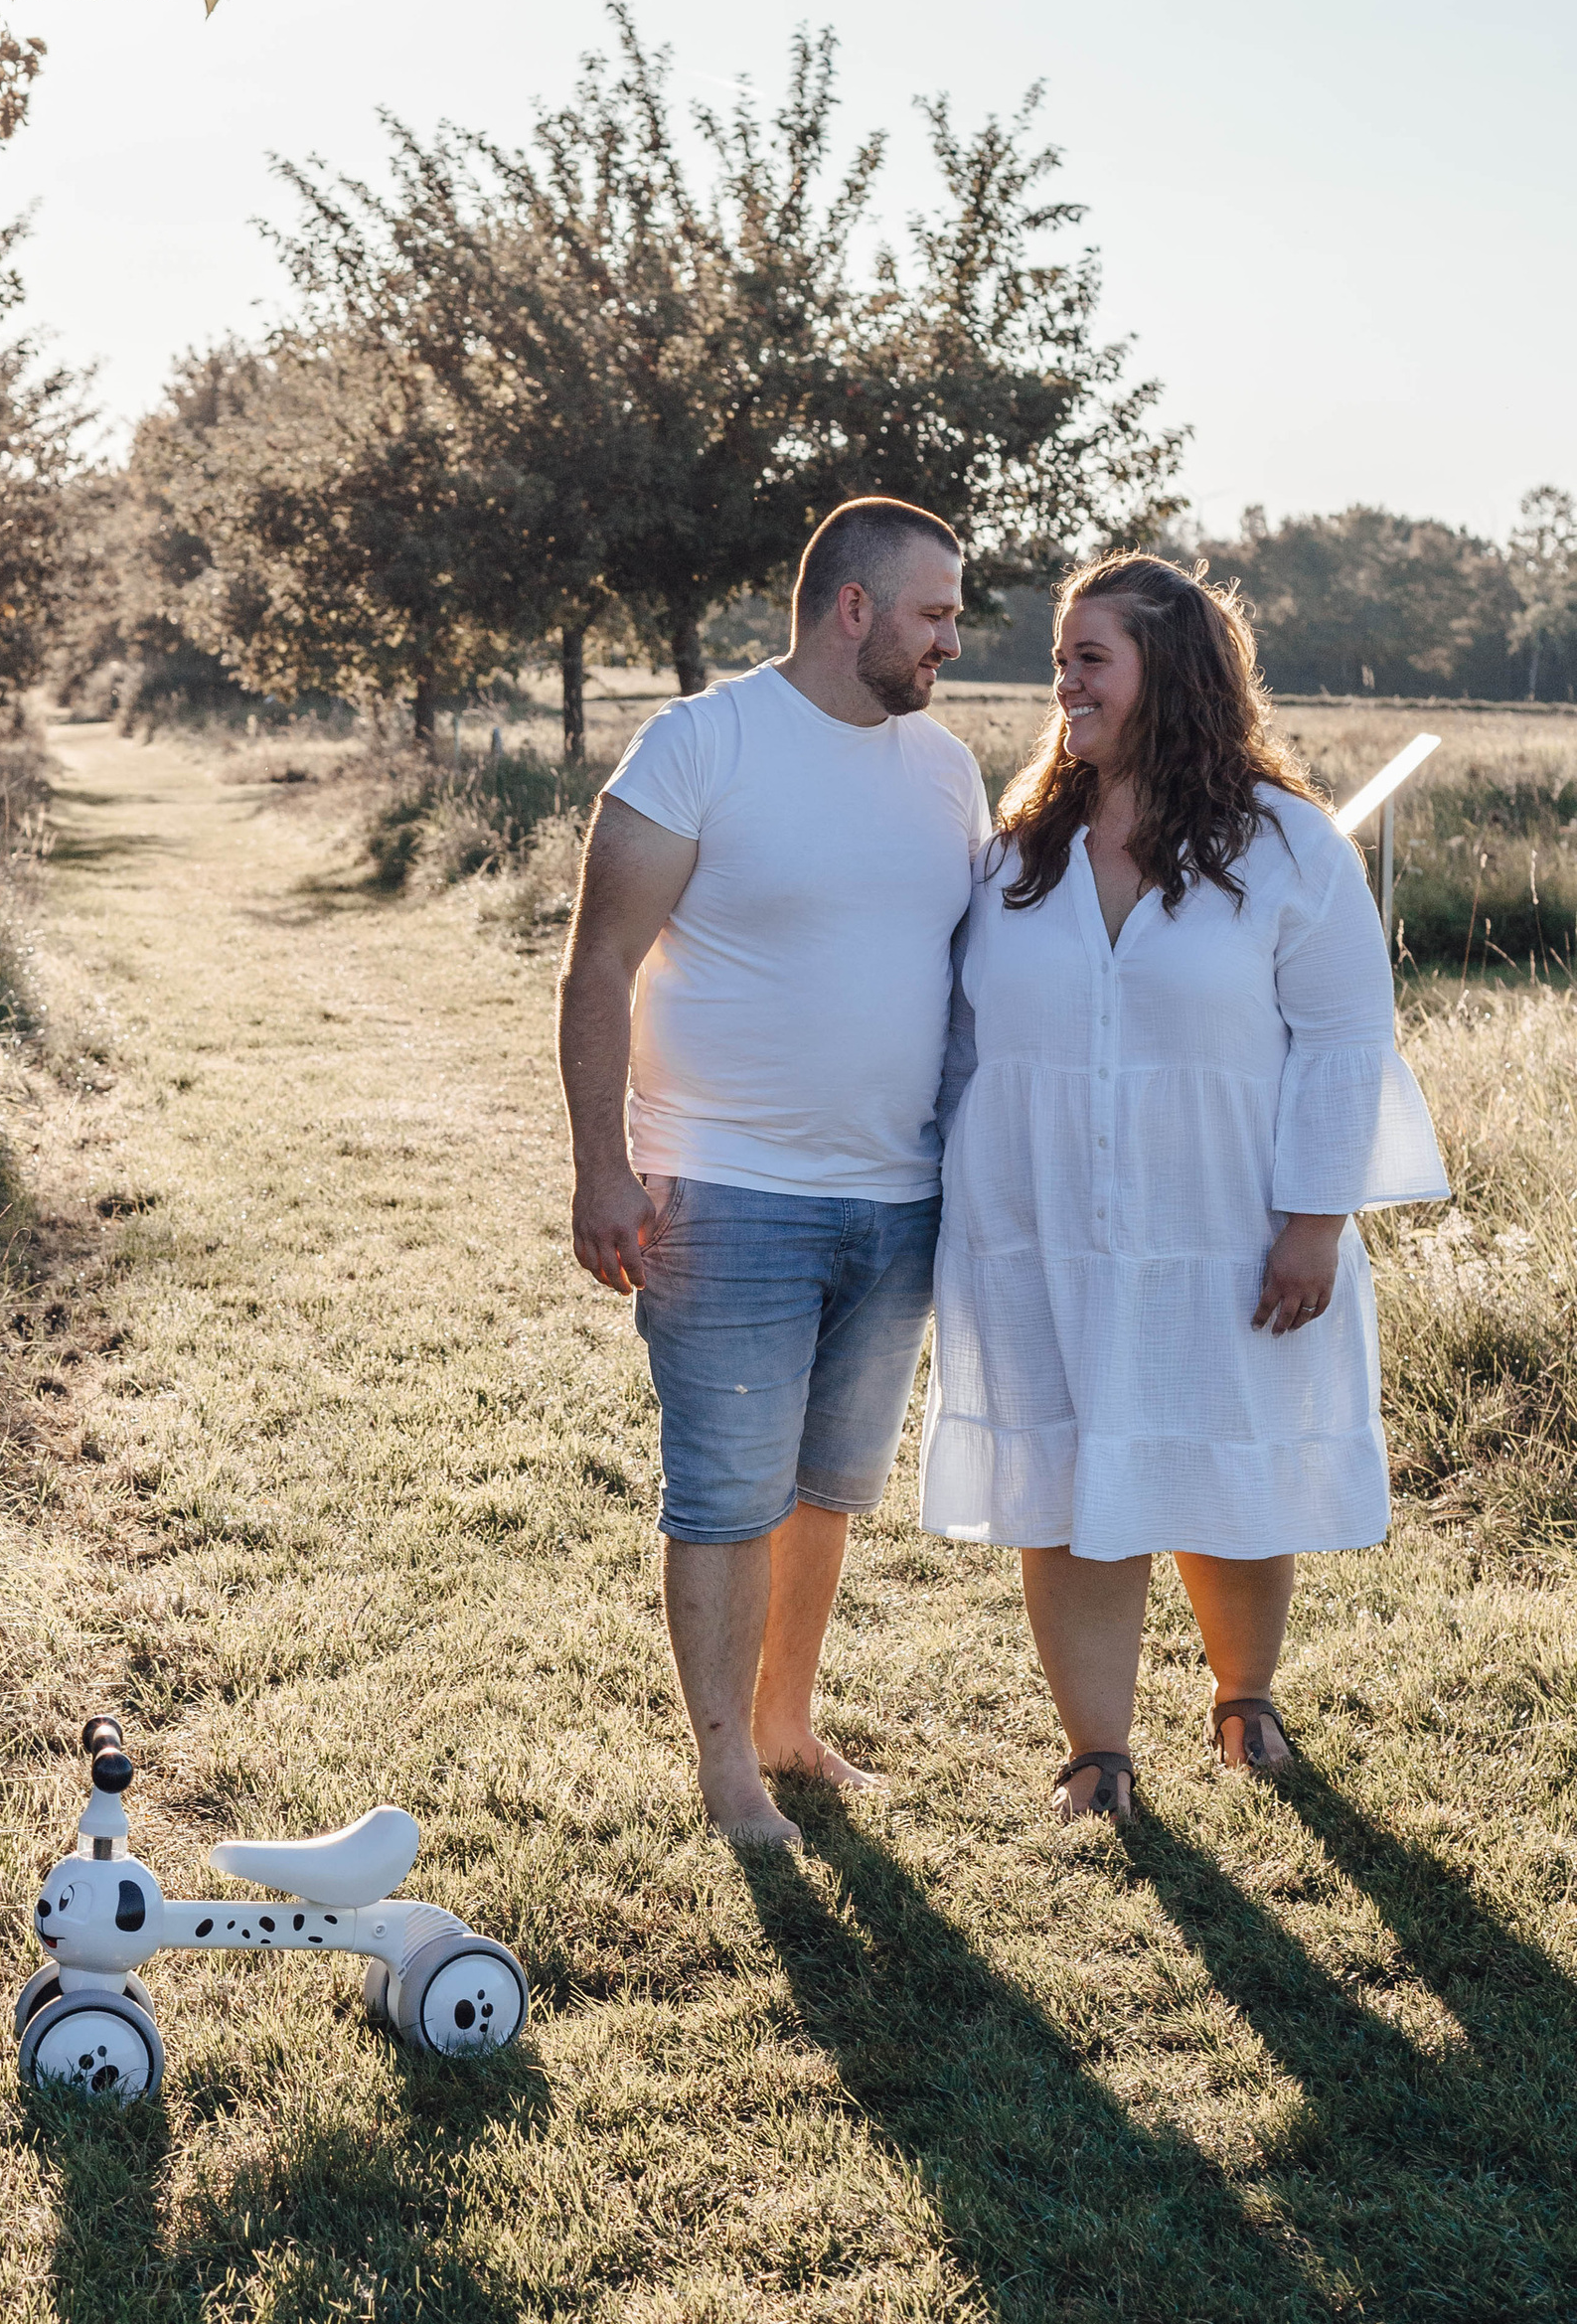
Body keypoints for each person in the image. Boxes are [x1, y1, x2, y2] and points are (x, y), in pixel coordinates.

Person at [920, 553, 1449, 1821]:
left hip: (1227, 1224)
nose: (1063, 682)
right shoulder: (1015, 850)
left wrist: (1314, 1223)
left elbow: (1340, 1042)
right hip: (1036, 1227)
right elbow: (957, 1042)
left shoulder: (1283, 848)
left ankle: (1242, 1696)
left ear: (1172, 675)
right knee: (1064, 1482)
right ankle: (1096, 1751)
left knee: (1227, 1464)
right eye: (1062, 658)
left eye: (1088, 656)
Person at [559, 498, 989, 1846]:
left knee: (824, 1489)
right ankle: (726, 1767)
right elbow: (600, 966)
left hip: (896, 1194)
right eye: (935, 616)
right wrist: (600, 1168)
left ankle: (790, 1724)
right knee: (729, 1492)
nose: (951, 644)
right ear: (851, 607)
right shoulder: (703, 744)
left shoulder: (949, 770)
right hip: (726, 1188)